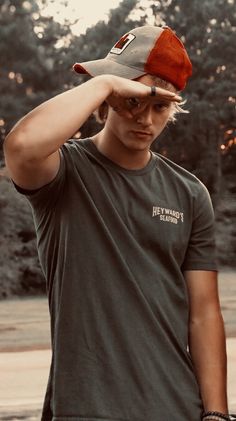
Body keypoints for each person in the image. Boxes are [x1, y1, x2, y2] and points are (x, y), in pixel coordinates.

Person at [4, 25, 230, 421]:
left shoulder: (190, 194)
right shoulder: (63, 171)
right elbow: (20, 147)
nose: (145, 117)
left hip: (176, 407)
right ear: (105, 101)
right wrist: (106, 81)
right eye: (132, 100)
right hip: (85, 408)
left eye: (159, 106)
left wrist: (215, 413)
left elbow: (204, 313)